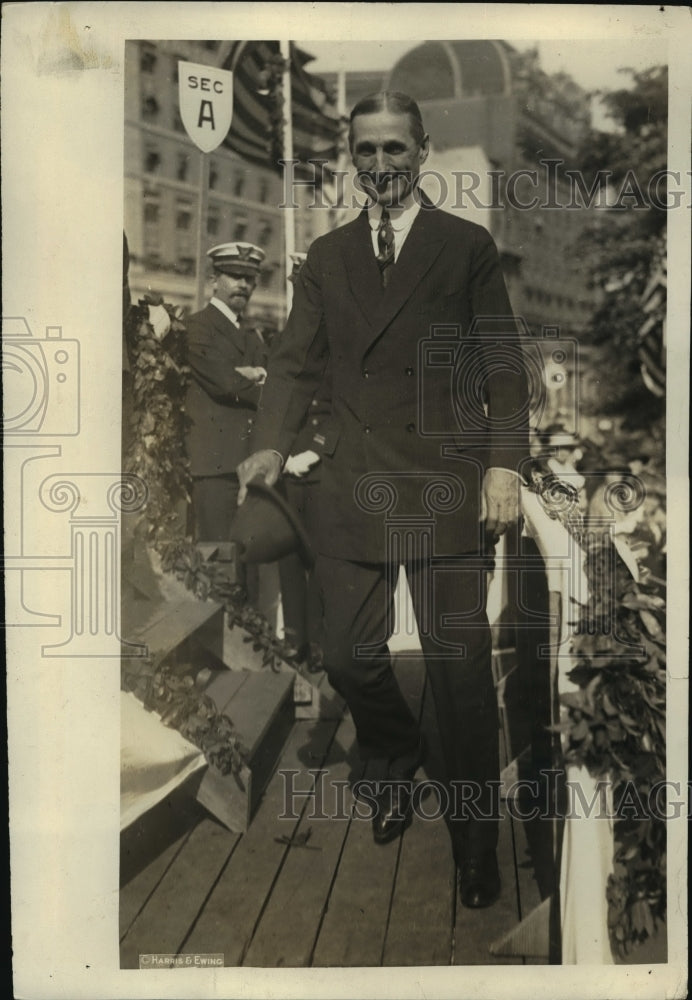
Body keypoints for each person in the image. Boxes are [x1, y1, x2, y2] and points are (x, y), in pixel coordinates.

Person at [238, 91, 529, 909]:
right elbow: (294, 364)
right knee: (346, 657)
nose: (380, 164)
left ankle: (476, 844)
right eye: (365, 150)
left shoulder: (465, 246)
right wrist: (270, 441)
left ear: (422, 152)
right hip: (352, 486)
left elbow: (502, 366)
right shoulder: (328, 257)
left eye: (395, 148)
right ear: (351, 159)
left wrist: (505, 467)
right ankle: (394, 755)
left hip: (445, 487)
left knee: (460, 675)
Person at [185, 241, 268, 543]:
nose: (243, 285)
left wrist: (249, 375)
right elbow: (224, 383)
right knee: (218, 555)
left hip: (252, 461)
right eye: (234, 276)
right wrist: (257, 378)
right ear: (213, 281)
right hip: (216, 465)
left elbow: (243, 381)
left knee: (250, 558)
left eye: (249, 279)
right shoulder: (197, 327)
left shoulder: (253, 335)